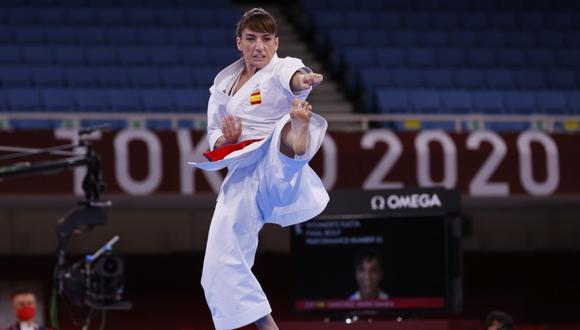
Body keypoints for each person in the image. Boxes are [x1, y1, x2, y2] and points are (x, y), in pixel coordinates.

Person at [188, 8, 328, 330]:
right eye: (251, 38)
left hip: (275, 160)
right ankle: (267, 325)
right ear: (239, 42)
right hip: (243, 174)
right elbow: (214, 136)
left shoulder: (279, 70)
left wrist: (302, 78)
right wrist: (228, 138)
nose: (259, 46)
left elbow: (291, 74)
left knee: (282, 136)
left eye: (266, 39)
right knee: (217, 262)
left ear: (276, 43)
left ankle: (298, 134)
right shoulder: (223, 85)